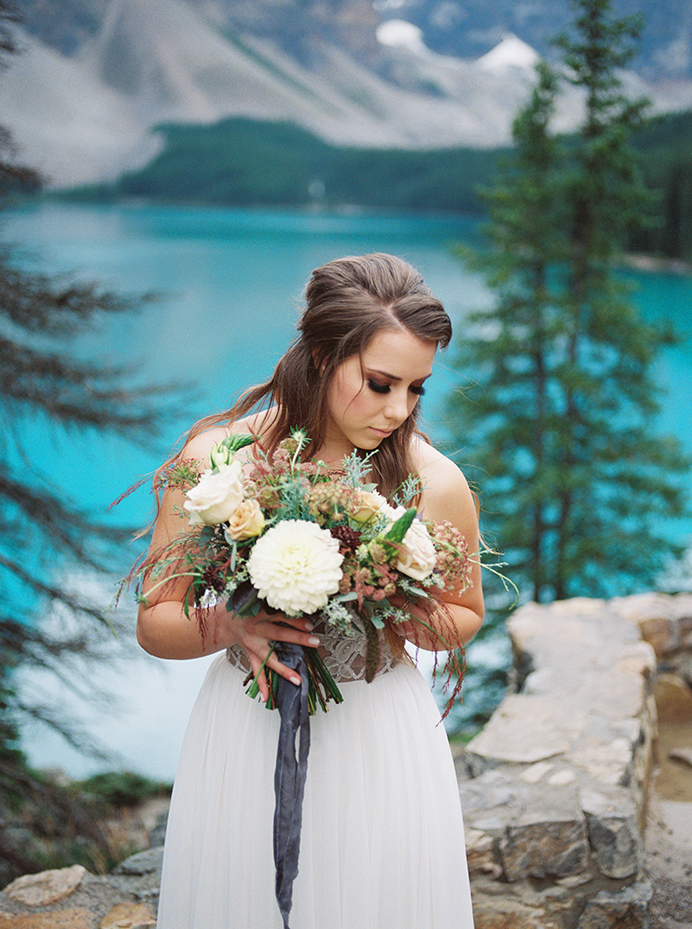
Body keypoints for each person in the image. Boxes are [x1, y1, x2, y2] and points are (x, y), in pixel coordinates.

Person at [136, 253, 484, 928]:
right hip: (247, 726)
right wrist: (228, 627)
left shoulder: (435, 483)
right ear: (323, 353)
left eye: (417, 389)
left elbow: (468, 609)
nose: (397, 409)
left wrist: (408, 613)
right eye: (381, 383)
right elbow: (155, 620)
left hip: (378, 734)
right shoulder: (216, 463)